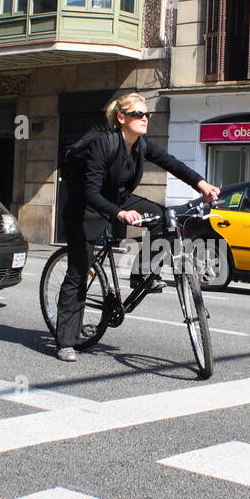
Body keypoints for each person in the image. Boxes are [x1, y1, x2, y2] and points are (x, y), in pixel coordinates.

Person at [54, 92, 220, 362]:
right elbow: (91, 192)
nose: (144, 119)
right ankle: (65, 341)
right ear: (121, 118)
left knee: (162, 216)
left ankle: (141, 275)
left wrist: (202, 184)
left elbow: (172, 164)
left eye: (146, 114)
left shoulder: (140, 145)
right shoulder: (104, 144)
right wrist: (120, 213)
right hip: (86, 208)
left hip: (117, 200)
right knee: (78, 274)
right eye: (138, 114)